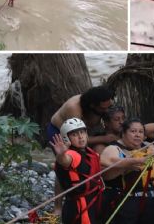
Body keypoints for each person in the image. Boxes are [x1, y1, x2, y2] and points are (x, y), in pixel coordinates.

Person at [47, 86, 114, 215]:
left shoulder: (101, 103)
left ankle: (91, 192)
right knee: (63, 169)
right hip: (61, 134)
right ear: (93, 105)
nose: (106, 110)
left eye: (108, 106)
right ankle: (58, 206)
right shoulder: (74, 108)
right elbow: (79, 139)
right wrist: (105, 138)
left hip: (84, 132)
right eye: (103, 108)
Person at [100, 118, 154, 224]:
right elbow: (109, 161)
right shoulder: (114, 148)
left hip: (152, 200)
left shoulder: (150, 147)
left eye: (140, 132)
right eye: (133, 131)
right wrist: (136, 160)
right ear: (124, 133)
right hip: (127, 201)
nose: (137, 135)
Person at [50, 118, 104, 224]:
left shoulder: (89, 152)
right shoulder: (72, 155)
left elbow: (59, 179)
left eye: (82, 132)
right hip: (79, 207)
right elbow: (65, 160)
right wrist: (61, 155)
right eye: (74, 135)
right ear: (67, 138)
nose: (81, 137)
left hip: (92, 202)